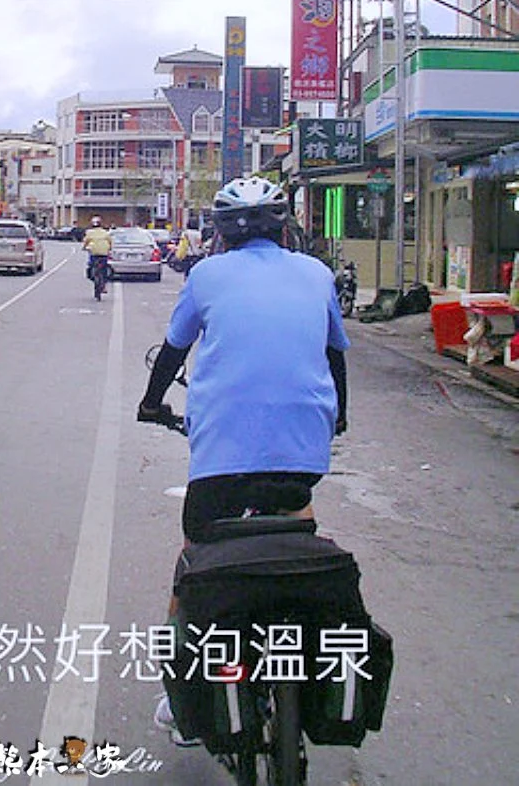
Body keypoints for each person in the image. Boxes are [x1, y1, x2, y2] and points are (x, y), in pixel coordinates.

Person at [138, 175, 350, 742]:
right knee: (298, 530)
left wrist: (151, 403)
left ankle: (179, 701)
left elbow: (175, 350)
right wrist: (339, 418)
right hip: (302, 457)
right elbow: (335, 358)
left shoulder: (206, 275)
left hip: (220, 465)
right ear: (283, 227)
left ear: (221, 233)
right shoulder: (317, 274)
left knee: (193, 564)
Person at [81, 216, 112, 282]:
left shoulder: (89, 232)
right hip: (104, 253)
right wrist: (110, 248)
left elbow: (86, 241)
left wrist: (84, 247)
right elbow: (110, 241)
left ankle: (92, 274)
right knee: (104, 267)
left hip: (94, 253)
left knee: (91, 263)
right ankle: (104, 282)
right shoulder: (105, 232)